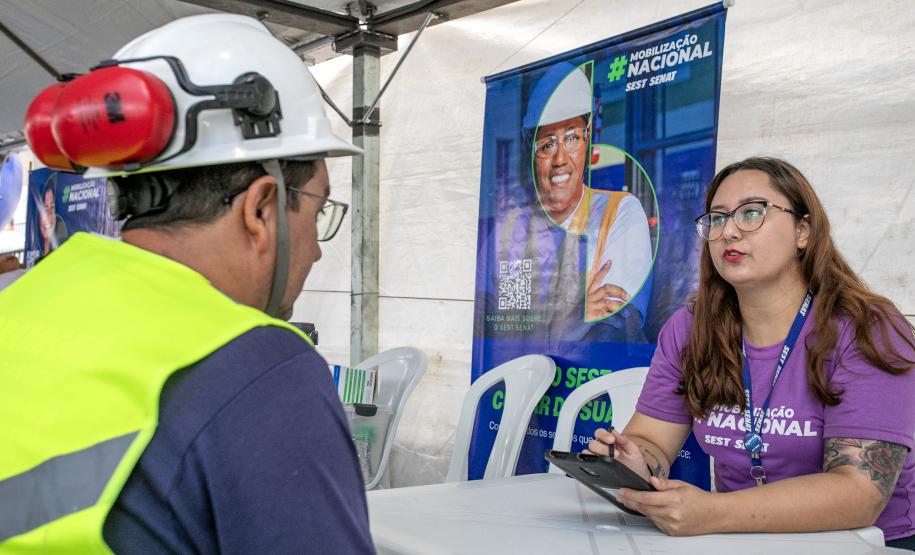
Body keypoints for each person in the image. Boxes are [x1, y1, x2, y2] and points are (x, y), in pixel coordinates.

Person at [0, 14, 373, 554]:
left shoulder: (21, 305)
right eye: (318, 212)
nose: (315, 249)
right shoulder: (261, 373)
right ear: (261, 209)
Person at [588, 157, 915, 548]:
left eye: (752, 213)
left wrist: (712, 512)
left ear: (803, 231)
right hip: (740, 539)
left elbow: (859, 494)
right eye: (718, 218)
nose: (729, 232)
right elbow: (652, 442)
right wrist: (635, 462)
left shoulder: (868, 328)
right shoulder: (690, 328)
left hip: (866, 543)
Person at [527, 64, 652, 322]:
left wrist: (549, 320)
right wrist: (576, 315)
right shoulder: (512, 230)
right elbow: (497, 317)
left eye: (572, 138)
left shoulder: (620, 211)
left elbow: (616, 321)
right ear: (532, 155)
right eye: (547, 144)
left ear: (588, 141)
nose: (560, 158)